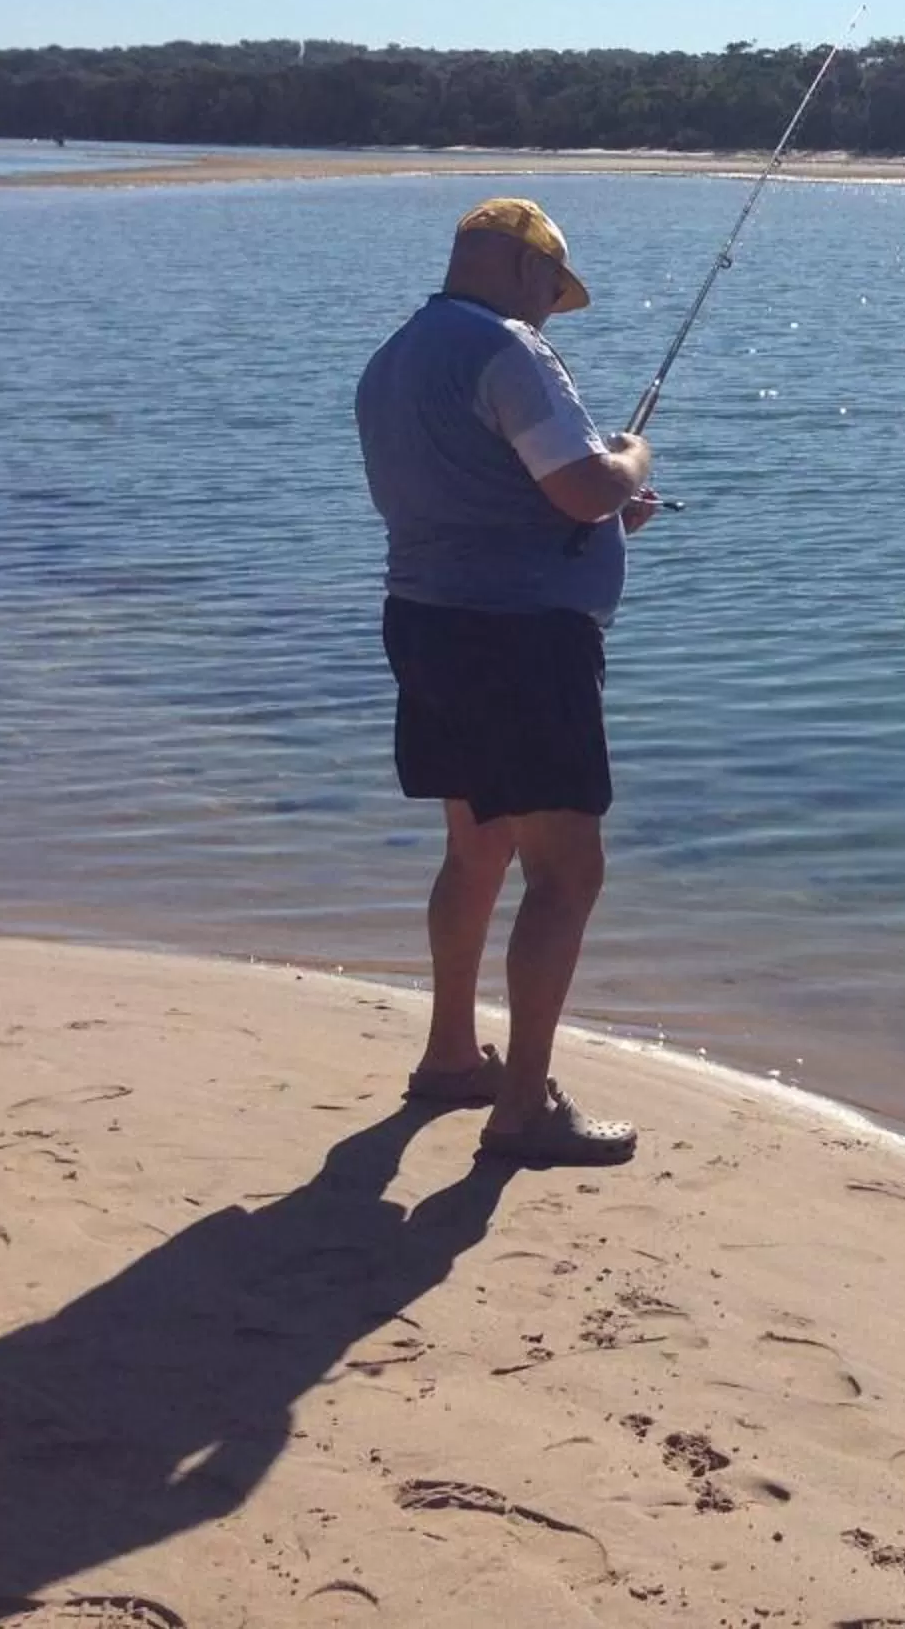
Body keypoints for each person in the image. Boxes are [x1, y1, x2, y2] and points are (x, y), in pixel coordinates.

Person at [354, 196, 660, 1166]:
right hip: (518, 644)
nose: (548, 314)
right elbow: (581, 486)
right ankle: (523, 1108)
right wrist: (627, 462)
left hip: (428, 626)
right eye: (549, 292)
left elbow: (488, 496)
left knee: (476, 846)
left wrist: (603, 516)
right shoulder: (508, 351)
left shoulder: (394, 359)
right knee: (566, 872)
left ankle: (450, 1055)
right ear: (526, 270)